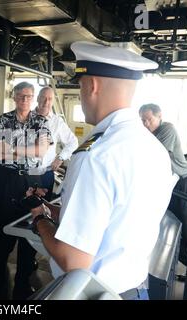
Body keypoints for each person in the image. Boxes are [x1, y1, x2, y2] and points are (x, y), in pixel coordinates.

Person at [27, 41, 175, 300]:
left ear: (91, 85)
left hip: (92, 294)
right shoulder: (155, 148)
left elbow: (74, 261)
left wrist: (40, 220)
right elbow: (118, 219)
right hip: (136, 290)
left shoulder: (95, 156)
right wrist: (57, 211)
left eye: (80, 85)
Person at [0, 81, 53, 300]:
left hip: (31, 179)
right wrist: (28, 150)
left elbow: (42, 151)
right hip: (5, 180)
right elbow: (0, 153)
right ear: (14, 97)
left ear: (33, 98)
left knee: (30, 226)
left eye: (28, 96)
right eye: (20, 96)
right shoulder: (3, 120)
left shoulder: (41, 121)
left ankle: (23, 279)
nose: (24, 99)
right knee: (1, 226)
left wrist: (14, 149)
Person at [139, 103, 187, 264]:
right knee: (173, 226)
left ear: (159, 116)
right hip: (169, 186)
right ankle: (184, 265)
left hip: (183, 182)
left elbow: (152, 155)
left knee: (186, 227)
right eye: (142, 120)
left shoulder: (167, 129)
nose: (145, 124)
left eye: (149, 119)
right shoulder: (147, 134)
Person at [33, 87, 78, 200]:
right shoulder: (25, 118)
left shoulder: (57, 122)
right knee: (23, 211)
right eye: (43, 98)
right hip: (27, 173)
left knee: (44, 211)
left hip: (46, 174)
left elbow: (73, 142)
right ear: (38, 98)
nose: (46, 102)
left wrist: (60, 157)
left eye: (50, 99)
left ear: (52, 101)